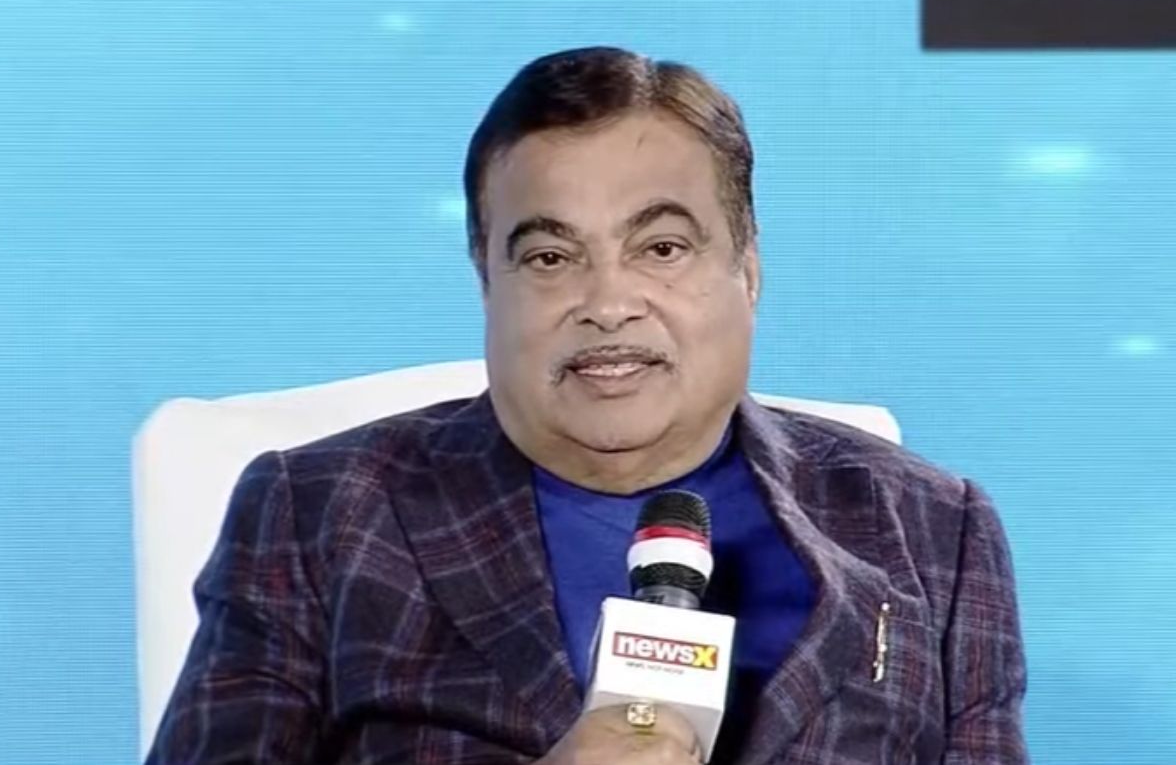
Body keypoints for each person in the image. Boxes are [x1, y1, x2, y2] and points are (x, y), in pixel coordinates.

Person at [147, 46, 1029, 764]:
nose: (607, 303)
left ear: (748, 271)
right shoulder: (320, 515)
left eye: (662, 248)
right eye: (550, 258)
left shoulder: (932, 531)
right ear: (487, 283)